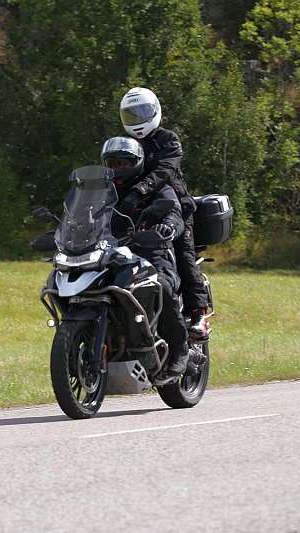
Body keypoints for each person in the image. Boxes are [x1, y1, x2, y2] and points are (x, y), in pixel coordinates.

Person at [116, 87, 211, 338]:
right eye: (131, 115)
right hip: (133, 208)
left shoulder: (168, 139)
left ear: (155, 112)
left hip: (174, 205)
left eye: (142, 113)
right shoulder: (124, 143)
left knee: (183, 254)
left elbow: (165, 171)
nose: (137, 120)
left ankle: (197, 315)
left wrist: (139, 190)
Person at [100, 136, 189, 381]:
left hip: (152, 252)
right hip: (113, 255)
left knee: (160, 285)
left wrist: (167, 227)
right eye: (113, 163)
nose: (118, 168)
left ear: (137, 162)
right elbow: (83, 216)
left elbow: (173, 212)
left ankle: (180, 350)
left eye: (123, 162)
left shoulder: (155, 188)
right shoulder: (102, 191)